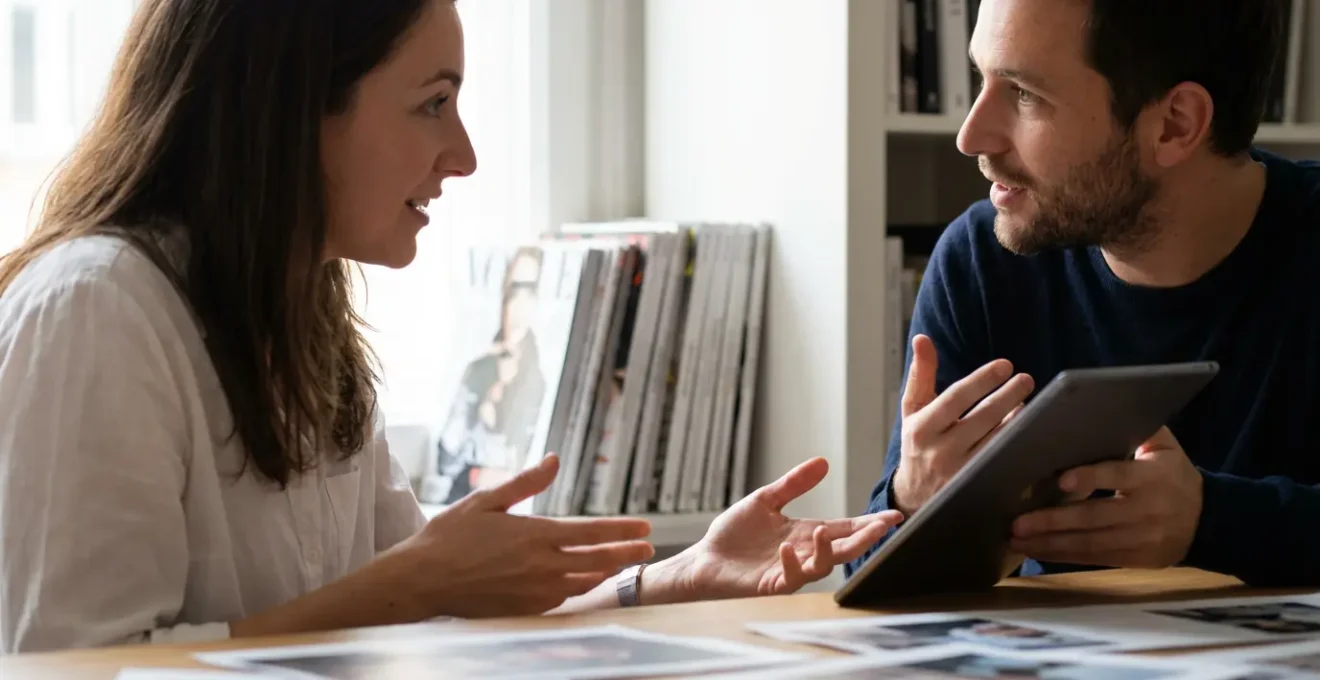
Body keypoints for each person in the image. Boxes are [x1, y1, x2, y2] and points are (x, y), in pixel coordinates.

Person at [0, 0, 904, 654]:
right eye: (433, 102)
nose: (464, 155)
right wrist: (411, 583)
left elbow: (436, 606)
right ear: (289, 110)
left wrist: (676, 578)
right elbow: (76, 667)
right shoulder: (98, 311)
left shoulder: (309, 324)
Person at [849, 0, 1320, 588]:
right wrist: (913, 499)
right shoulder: (981, 263)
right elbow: (870, 577)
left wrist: (1211, 519)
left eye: (1024, 94)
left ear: (1175, 123)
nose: (971, 137)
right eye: (981, 77)